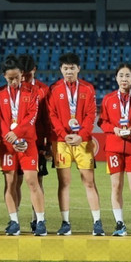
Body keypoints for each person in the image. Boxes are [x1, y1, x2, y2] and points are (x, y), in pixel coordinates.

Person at [48, 52, 105, 236]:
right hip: (61, 142)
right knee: (63, 183)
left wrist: (81, 135)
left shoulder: (88, 89)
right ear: (61, 70)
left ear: (78, 68)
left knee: (89, 181)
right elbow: (52, 116)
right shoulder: (54, 89)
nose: (69, 71)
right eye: (65, 68)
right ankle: (65, 223)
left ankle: (97, 222)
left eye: (72, 68)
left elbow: (90, 115)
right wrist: (63, 135)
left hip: (83, 142)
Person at [0, 56, 47, 236]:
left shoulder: (31, 92)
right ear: (4, 76)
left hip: (28, 143)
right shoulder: (0, 94)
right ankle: (14, 222)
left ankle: (40, 221)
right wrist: (10, 138)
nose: (14, 81)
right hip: (8, 145)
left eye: (17, 77)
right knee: (10, 183)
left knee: (32, 181)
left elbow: (32, 117)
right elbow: (0, 120)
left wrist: (17, 134)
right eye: (10, 78)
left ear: (21, 74)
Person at [98, 63, 131, 236]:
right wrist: (115, 129)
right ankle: (120, 224)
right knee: (116, 186)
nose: (124, 79)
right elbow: (102, 122)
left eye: (128, 75)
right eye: (121, 75)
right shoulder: (108, 99)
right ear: (116, 78)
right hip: (114, 147)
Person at [18, 54, 51, 232]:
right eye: (21, 74)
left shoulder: (43, 90)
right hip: (16, 141)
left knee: (36, 181)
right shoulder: (14, 89)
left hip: (36, 141)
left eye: (27, 74)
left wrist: (48, 143)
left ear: (34, 70)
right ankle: (14, 219)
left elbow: (47, 119)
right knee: (15, 181)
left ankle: (36, 219)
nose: (24, 78)